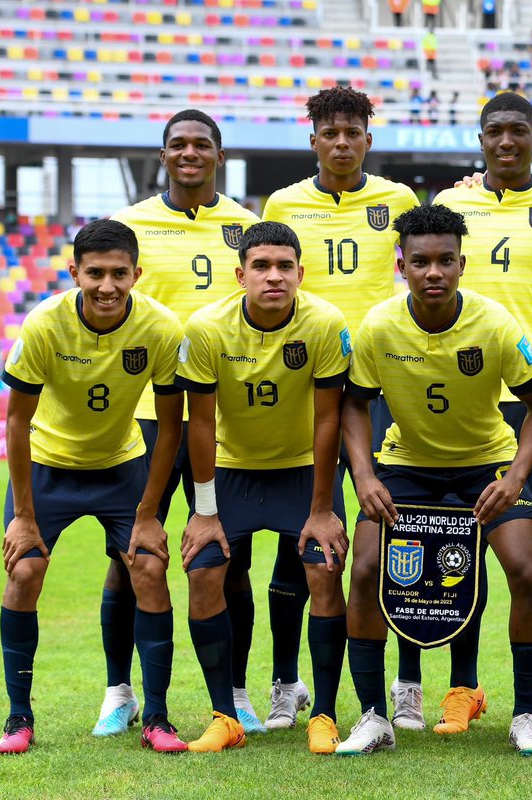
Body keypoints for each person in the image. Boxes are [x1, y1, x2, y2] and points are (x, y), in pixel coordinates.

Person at [337, 204, 532, 756]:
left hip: (487, 464)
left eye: (446, 261)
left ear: (462, 264)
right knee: (364, 569)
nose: (434, 272)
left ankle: (525, 715)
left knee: (527, 569)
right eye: (421, 262)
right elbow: (354, 405)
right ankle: (374, 716)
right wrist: (363, 475)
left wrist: (516, 477)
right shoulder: (379, 325)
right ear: (402, 266)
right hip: (408, 466)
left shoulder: (495, 322)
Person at [427, 91, 532, 736]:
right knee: (458, 545)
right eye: (495, 131)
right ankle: (464, 688)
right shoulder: (453, 205)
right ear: (481, 140)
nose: (506, 141)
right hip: (465, 396)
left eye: (517, 131)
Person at [0, 219, 186, 754]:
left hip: (121, 468)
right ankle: (18, 717)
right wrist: (23, 517)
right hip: (48, 468)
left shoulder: (160, 327)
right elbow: (16, 421)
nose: (107, 286)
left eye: (119, 274)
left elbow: (171, 426)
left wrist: (148, 514)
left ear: (136, 274)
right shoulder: (44, 323)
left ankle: (157, 717)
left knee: (149, 568)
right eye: (95, 273)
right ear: (74, 272)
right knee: (24, 571)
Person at [262, 87, 419, 731]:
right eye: (331, 133)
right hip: (310, 386)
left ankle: (408, 685)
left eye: (353, 132)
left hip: (382, 384)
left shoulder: (399, 200)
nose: (342, 142)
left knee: (400, 535)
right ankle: (286, 681)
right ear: (314, 142)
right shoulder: (283, 204)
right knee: (296, 536)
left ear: (368, 141)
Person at [107, 109, 268, 736]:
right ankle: (119, 691)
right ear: (163, 155)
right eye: (178, 144)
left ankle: (237, 693)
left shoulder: (247, 228)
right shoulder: (130, 224)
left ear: (220, 156)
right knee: (130, 555)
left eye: (202, 144)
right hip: (146, 416)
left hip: (221, 419)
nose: (190, 153)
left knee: (231, 559)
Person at [176, 221, 352, 753]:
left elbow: (329, 419)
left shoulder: (325, 322)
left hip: (302, 471)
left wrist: (321, 509)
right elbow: (199, 423)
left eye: (284, 266)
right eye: (261, 266)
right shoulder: (207, 327)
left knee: (325, 572)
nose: (273, 276)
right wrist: (205, 511)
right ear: (240, 275)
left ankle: (323, 714)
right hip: (231, 471)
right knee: (204, 574)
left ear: (301, 273)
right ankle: (224, 716)